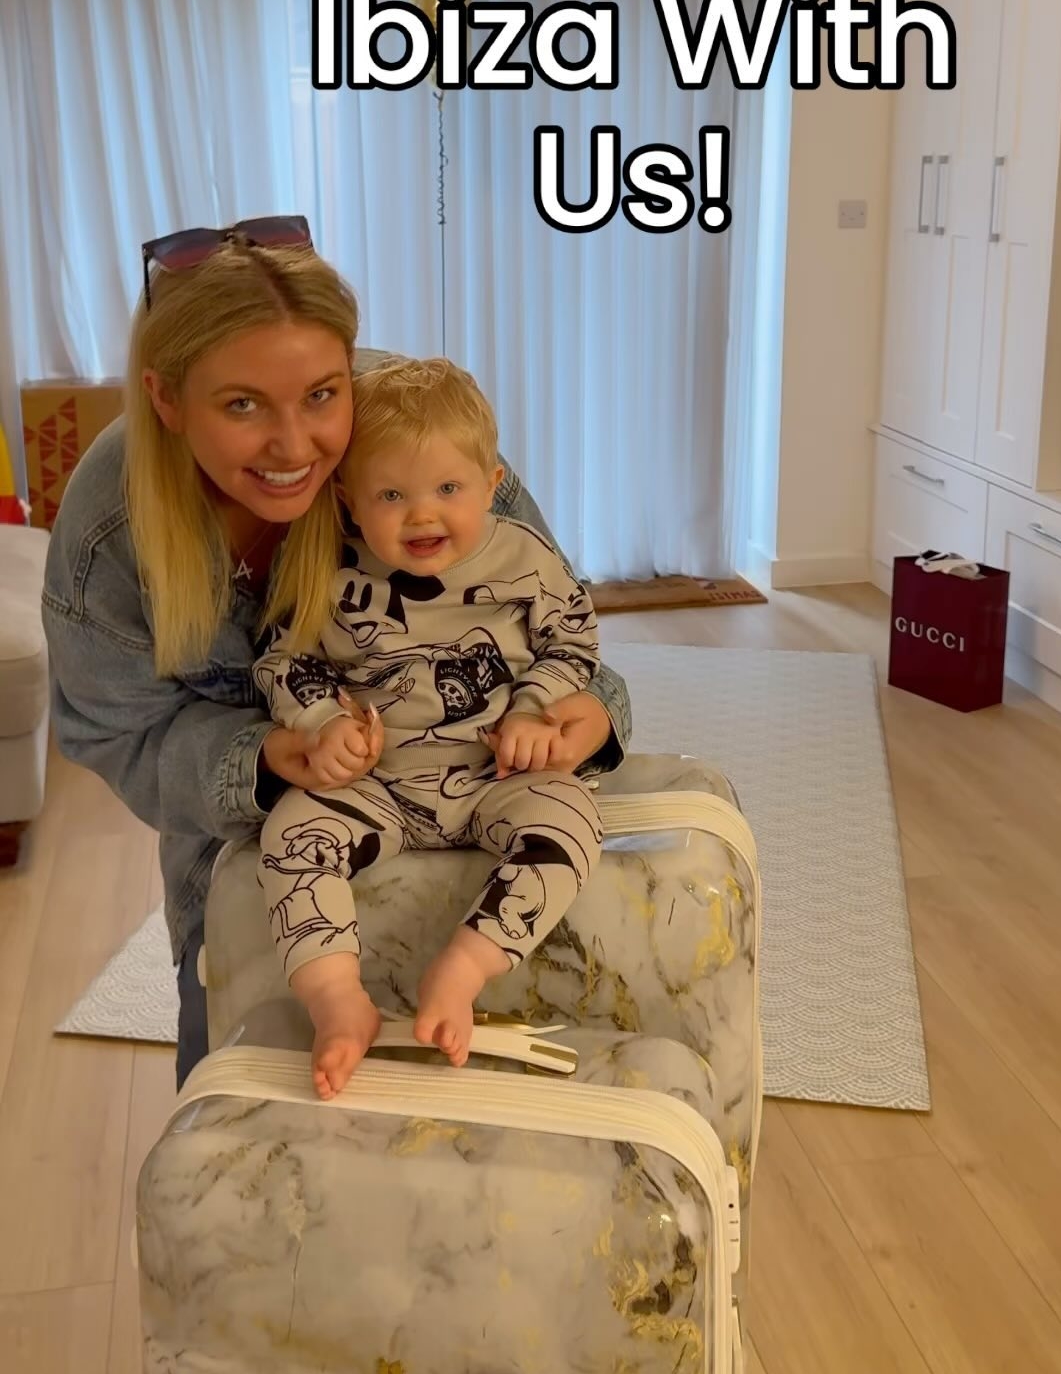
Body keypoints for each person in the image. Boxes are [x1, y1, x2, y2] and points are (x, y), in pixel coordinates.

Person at [40, 220, 631, 1089]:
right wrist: (268, 757)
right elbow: (116, 733)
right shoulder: (110, 531)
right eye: (242, 405)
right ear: (166, 399)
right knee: (244, 1111)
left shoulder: (422, 432)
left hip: (487, 838)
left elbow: (561, 634)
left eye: (322, 394)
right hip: (264, 872)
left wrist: (588, 718)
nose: (295, 446)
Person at [254, 355, 605, 1098]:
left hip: (495, 778)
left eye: (449, 489)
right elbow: (283, 660)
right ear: (349, 500)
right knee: (290, 833)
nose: (422, 515)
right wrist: (322, 723)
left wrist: (534, 709)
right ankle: (336, 1000)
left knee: (572, 819)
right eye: (392, 495)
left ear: (493, 482)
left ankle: (466, 967)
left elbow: (574, 643)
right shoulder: (327, 570)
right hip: (376, 787)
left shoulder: (526, 557)